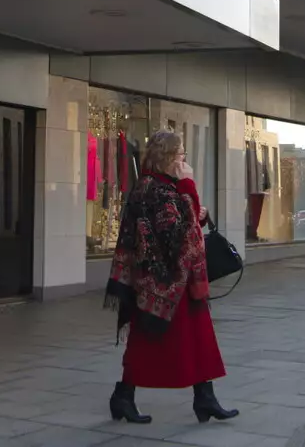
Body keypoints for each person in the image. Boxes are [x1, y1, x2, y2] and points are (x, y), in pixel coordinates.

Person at [104, 129, 237, 426]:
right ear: (168, 158)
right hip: (165, 285)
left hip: (171, 283)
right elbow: (182, 238)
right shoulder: (158, 189)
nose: (184, 161)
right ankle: (124, 396)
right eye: (180, 156)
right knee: (151, 343)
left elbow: (180, 224)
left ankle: (204, 397)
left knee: (197, 340)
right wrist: (189, 188)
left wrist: (193, 209)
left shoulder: (156, 186)